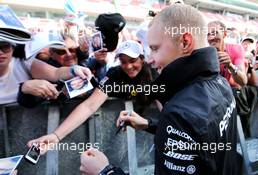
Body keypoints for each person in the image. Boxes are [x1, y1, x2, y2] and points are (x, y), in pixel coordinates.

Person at [80, 4, 241, 175]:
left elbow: (191, 127)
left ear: (185, 42)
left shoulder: (181, 111)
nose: (150, 60)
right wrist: (149, 124)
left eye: (155, 49)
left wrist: (105, 172)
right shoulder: (222, 84)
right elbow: (199, 137)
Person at [27, 40, 159, 152]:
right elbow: (89, 106)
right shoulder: (114, 74)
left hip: (152, 135)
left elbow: (164, 106)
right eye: (123, 61)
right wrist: (56, 136)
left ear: (142, 59)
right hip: (123, 141)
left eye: (132, 60)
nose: (128, 66)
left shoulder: (154, 74)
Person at [0, 38, 91, 105]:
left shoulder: (23, 63)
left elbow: (56, 73)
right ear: (52, 54)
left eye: (5, 46)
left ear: (13, 48)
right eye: (61, 52)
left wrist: (73, 70)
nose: (0, 52)